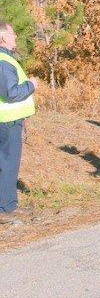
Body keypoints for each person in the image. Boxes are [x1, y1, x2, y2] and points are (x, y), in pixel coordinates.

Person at [0, 22, 37, 224]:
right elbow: (11, 93)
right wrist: (31, 84)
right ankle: (6, 208)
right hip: (7, 122)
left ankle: (7, 205)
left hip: (6, 121)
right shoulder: (4, 60)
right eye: (13, 34)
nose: (16, 37)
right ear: (3, 37)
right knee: (8, 164)